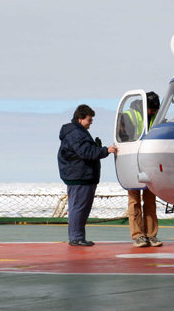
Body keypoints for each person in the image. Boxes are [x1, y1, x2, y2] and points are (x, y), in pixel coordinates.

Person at [58, 104, 117, 246]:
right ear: (80, 119)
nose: (91, 123)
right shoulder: (76, 133)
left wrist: (96, 148)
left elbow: (84, 150)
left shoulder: (75, 132)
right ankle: (76, 238)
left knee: (77, 207)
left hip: (79, 176)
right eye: (89, 120)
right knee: (79, 208)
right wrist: (105, 150)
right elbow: (85, 152)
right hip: (81, 176)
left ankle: (77, 237)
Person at [128, 91, 163, 247]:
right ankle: (138, 235)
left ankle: (151, 235)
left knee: (150, 200)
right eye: (151, 109)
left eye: (156, 110)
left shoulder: (158, 118)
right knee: (134, 200)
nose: (153, 112)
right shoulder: (129, 116)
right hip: (132, 162)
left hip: (149, 163)